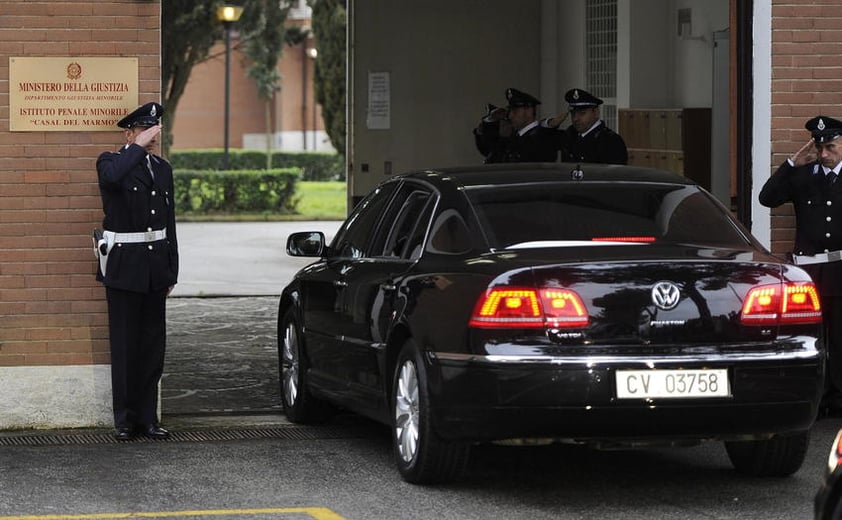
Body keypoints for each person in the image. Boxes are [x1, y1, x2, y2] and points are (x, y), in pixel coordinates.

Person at [95, 101, 178, 440]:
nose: (153, 136)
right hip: (124, 266)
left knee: (151, 346)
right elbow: (113, 179)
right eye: (145, 129)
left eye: (155, 130)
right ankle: (125, 420)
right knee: (126, 344)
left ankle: (148, 418)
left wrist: (172, 269)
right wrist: (137, 147)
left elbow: (168, 224)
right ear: (129, 132)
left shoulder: (162, 169)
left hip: (155, 267)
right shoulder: (111, 162)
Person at [759, 115, 842, 415]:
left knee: (840, 337)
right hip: (810, 272)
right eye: (820, 147)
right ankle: (816, 398)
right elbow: (766, 198)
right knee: (813, 337)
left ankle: (838, 398)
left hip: (839, 269)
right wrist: (792, 164)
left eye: (831, 147)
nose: (824, 154)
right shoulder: (803, 175)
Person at [472, 88, 558, 163]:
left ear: (529, 110)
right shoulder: (515, 137)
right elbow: (490, 148)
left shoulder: (541, 137)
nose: (510, 116)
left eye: (514, 111)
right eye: (510, 111)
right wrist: (491, 119)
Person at [544, 88, 628, 165]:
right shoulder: (570, 134)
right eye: (573, 114)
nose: (576, 119)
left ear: (596, 113)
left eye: (582, 113)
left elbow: (615, 176)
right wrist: (551, 124)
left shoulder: (610, 140)